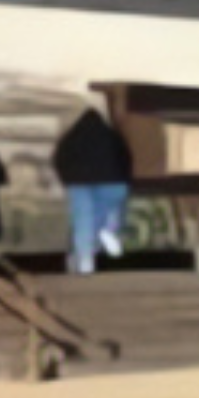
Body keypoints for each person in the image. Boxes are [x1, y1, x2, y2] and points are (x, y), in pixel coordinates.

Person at [51, 110, 131, 275]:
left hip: (79, 183)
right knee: (106, 212)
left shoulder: (71, 139)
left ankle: (85, 259)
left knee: (83, 221)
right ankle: (106, 230)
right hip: (112, 181)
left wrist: (66, 179)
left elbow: (60, 159)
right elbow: (125, 158)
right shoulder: (112, 137)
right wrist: (125, 179)